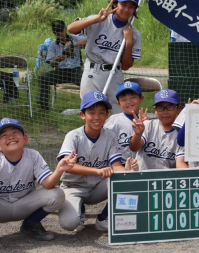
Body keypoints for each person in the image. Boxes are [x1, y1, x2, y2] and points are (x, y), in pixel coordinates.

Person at [0, 117, 77, 249]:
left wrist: (59, 169)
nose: (10, 137)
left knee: (57, 194)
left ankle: (31, 224)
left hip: (24, 205)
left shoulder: (33, 155)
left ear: (25, 139)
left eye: (15, 132)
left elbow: (48, 184)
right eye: (4, 135)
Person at [57, 90, 138, 233]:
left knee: (125, 181)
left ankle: (104, 218)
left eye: (101, 112)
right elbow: (67, 167)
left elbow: (116, 166)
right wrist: (97, 170)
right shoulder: (73, 136)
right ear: (82, 115)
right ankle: (79, 209)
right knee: (69, 224)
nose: (97, 117)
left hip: (97, 188)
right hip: (73, 186)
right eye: (91, 112)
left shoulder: (110, 136)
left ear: (107, 115)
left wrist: (127, 171)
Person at [67, 0, 142, 112]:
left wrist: (128, 43)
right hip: (92, 71)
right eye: (123, 4)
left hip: (115, 73)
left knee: (118, 113)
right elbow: (71, 28)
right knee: (92, 110)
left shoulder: (134, 33)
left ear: (135, 9)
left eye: (131, 6)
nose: (126, 9)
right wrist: (96, 18)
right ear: (114, 4)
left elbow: (126, 66)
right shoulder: (98, 20)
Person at [36, 20, 86, 111]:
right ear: (54, 33)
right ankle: (43, 106)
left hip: (76, 71)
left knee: (88, 81)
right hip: (60, 72)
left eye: (61, 32)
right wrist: (56, 60)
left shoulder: (74, 38)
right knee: (43, 77)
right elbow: (51, 63)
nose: (60, 35)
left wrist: (75, 45)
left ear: (65, 29)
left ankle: (89, 105)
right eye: (57, 33)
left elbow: (89, 41)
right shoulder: (53, 44)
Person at [129, 89, 184, 170]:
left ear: (178, 109)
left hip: (165, 180)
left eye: (170, 107)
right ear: (155, 109)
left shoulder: (180, 134)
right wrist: (138, 135)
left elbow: (180, 164)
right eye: (160, 107)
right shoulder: (148, 125)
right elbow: (134, 148)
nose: (165, 112)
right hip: (142, 176)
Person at [104, 80, 145, 164]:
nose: (128, 102)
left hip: (142, 166)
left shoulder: (147, 121)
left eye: (133, 97)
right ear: (119, 103)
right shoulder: (113, 121)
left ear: (141, 98)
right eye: (123, 99)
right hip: (119, 165)